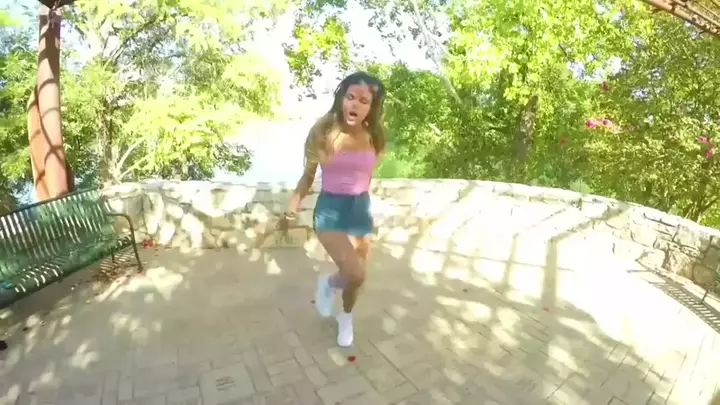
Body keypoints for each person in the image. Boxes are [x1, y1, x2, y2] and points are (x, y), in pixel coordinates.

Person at [282, 71, 386, 347]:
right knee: (355, 273)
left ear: (371, 107)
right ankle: (328, 285)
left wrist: (365, 202)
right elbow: (308, 175)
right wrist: (294, 204)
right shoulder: (323, 132)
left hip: (360, 209)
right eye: (350, 97)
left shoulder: (375, 136)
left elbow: (367, 175)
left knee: (356, 280)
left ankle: (346, 316)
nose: (355, 104)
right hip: (330, 210)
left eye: (363, 101)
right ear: (341, 98)